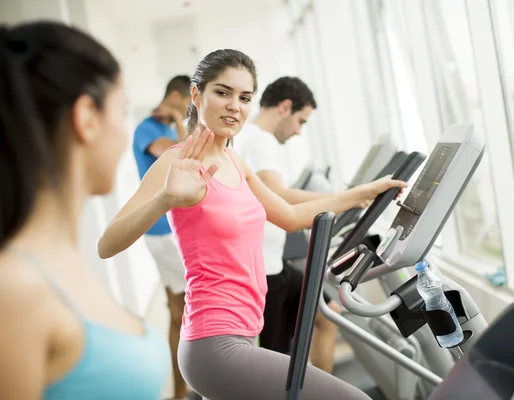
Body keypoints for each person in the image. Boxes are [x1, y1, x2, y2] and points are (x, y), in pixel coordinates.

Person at [97, 49, 406, 400]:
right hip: (213, 343)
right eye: (223, 93)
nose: (235, 106)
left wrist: (361, 194)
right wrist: (165, 199)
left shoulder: (235, 161)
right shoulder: (176, 160)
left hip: (243, 331)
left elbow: (288, 216)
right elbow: (106, 244)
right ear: (197, 95)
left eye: (244, 98)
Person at [0, 16, 169, 400]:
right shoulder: (9, 288)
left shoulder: (59, 262)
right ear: (87, 118)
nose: (125, 133)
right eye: (123, 112)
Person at [234, 77, 340, 373]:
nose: (297, 131)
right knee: (276, 363)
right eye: (300, 121)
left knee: (328, 312)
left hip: (270, 265)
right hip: (264, 272)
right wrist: (344, 198)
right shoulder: (259, 140)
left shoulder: (251, 138)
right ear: (284, 107)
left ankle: (319, 392)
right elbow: (280, 197)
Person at [133, 75, 193, 400]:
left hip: (170, 229)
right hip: (161, 232)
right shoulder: (147, 129)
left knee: (177, 309)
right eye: (185, 105)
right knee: (183, 309)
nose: (185, 113)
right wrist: (179, 126)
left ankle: (182, 391)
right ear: (174, 96)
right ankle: (183, 390)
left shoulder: (168, 129)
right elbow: (179, 159)